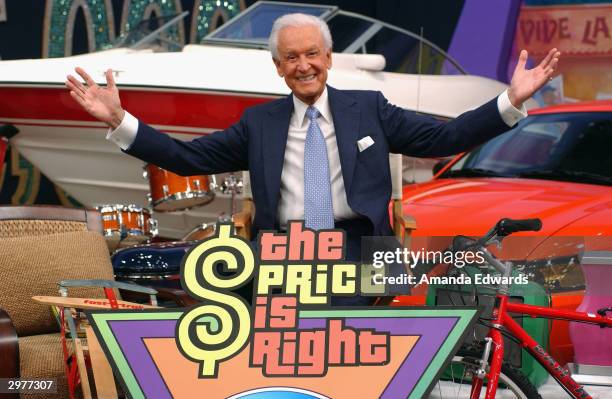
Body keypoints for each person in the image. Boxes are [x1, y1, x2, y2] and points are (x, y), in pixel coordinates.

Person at [65, 13, 560, 305]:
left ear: (328, 57)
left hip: (356, 249)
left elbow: (445, 136)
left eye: (312, 54)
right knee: (284, 352)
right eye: (291, 57)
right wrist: (119, 120)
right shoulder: (258, 124)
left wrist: (510, 102)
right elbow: (186, 156)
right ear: (278, 67)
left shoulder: (369, 109)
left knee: (353, 357)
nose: (303, 65)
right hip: (283, 253)